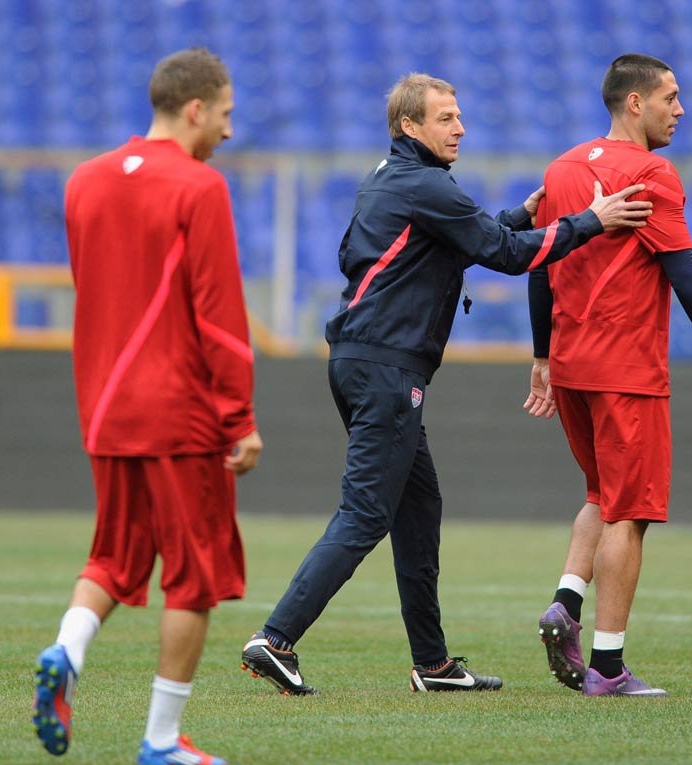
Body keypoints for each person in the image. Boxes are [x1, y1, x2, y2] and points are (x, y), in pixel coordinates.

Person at [239, 73, 652, 695]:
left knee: (418, 507)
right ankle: (276, 638)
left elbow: (449, 245)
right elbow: (507, 256)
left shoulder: (389, 178)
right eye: (446, 118)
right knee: (365, 515)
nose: (460, 128)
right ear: (411, 126)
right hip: (385, 368)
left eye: (459, 117)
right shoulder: (427, 184)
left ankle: (432, 665)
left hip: (361, 360)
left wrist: (520, 215)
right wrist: (589, 222)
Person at [32, 48, 262, 765]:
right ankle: (161, 742)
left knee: (113, 556)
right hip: (180, 412)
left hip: (103, 405)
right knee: (195, 577)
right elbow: (219, 314)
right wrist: (240, 417)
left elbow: (97, 290)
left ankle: (65, 651)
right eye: (225, 115)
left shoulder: (83, 182)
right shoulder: (199, 188)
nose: (228, 131)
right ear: (196, 108)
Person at [525, 53, 692, 698]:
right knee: (631, 512)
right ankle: (608, 666)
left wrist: (542, 355)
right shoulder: (653, 172)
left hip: (570, 364)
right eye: (670, 98)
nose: (679, 110)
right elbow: (685, 273)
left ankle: (565, 602)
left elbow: (540, 268)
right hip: (628, 370)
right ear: (635, 103)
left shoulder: (562, 168)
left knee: (601, 494)